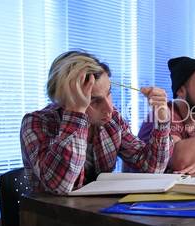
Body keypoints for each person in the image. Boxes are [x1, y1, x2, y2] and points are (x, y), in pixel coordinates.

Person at [20, 50, 173, 195]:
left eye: (109, 93)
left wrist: (162, 119)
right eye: (94, 100)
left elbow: (152, 168)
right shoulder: (35, 123)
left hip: (97, 212)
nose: (109, 108)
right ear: (63, 100)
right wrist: (76, 113)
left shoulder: (111, 121)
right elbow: (60, 186)